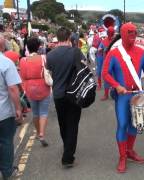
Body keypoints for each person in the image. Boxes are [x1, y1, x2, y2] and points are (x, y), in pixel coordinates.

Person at [102, 23, 144, 173]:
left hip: (137, 95)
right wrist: (117, 86)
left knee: (135, 124)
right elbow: (105, 73)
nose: (133, 35)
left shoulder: (141, 52)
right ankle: (122, 156)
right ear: (122, 33)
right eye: (130, 32)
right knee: (122, 124)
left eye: (135, 32)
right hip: (122, 96)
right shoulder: (114, 53)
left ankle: (130, 151)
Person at [46, 27, 85, 168]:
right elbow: (84, 69)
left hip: (58, 94)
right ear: (69, 38)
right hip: (74, 94)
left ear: (57, 37)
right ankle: (68, 157)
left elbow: (49, 72)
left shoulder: (50, 55)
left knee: (63, 123)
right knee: (73, 124)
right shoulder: (76, 52)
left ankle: (66, 145)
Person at [19, 37, 51, 147]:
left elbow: (22, 76)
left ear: (27, 47)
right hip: (43, 86)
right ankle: (42, 133)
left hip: (30, 88)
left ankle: (38, 132)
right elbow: (49, 70)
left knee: (36, 113)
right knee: (44, 112)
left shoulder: (23, 60)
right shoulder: (43, 58)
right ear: (38, 47)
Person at [0, 33, 22, 180]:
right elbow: (13, 89)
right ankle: (7, 172)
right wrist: (19, 108)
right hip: (3, 111)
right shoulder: (6, 63)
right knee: (6, 141)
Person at [98, 26, 115, 101]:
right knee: (107, 78)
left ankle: (110, 94)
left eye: (111, 33)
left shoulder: (116, 41)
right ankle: (106, 94)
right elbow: (99, 49)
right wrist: (101, 49)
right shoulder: (104, 41)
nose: (111, 34)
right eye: (110, 33)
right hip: (108, 62)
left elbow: (99, 49)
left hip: (113, 61)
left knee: (112, 78)